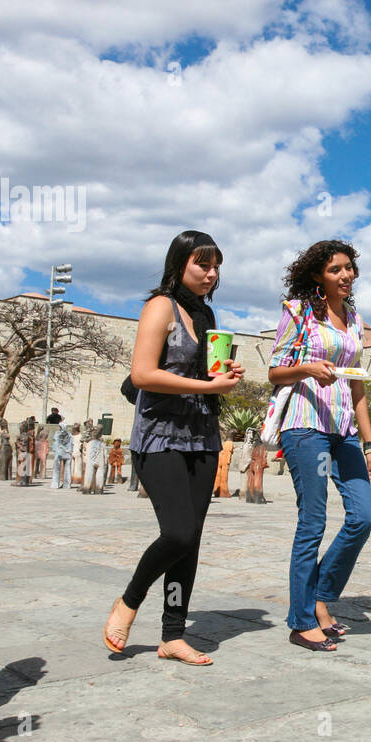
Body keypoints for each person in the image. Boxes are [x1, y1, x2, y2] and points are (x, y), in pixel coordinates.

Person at [103, 231, 243, 666]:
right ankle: (129, 600)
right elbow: (143, 374)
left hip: (202, 435)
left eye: (216, 265)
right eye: (203, 264)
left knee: (191, 540)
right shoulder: (161, 306)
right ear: (180, 263)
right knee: (178, 532)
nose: (211, 273)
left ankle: (173, 635)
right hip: (159, 436)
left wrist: (226, 373)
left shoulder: (206, 313)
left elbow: (202, 373)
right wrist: (205, 383)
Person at [268, 240, 371, 652]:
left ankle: (319, 597)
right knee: (312, 523)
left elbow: (358, 383)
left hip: (345, 430)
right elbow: (275, 372)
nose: (345, 275)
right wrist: (307, 368)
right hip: (305, 426)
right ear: (318, 276)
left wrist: (370, 442)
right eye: (335, 269)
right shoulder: (297, 313)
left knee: (363, 517)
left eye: (349, 268)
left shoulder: (354, 319)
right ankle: (301, 621)